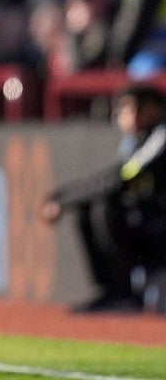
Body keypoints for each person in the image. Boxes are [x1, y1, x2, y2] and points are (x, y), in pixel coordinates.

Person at [41, 83, 166, 313]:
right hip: (153, 220)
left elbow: (122, 177)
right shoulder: (138, 139)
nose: (119, 114)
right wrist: (63, 197)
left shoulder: (161, 136)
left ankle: (123, 294)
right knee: (90, 209)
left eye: (126, 107)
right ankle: (112, 291)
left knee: (106, 207)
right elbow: (115, 175)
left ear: (150, 109)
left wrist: (63, 200)